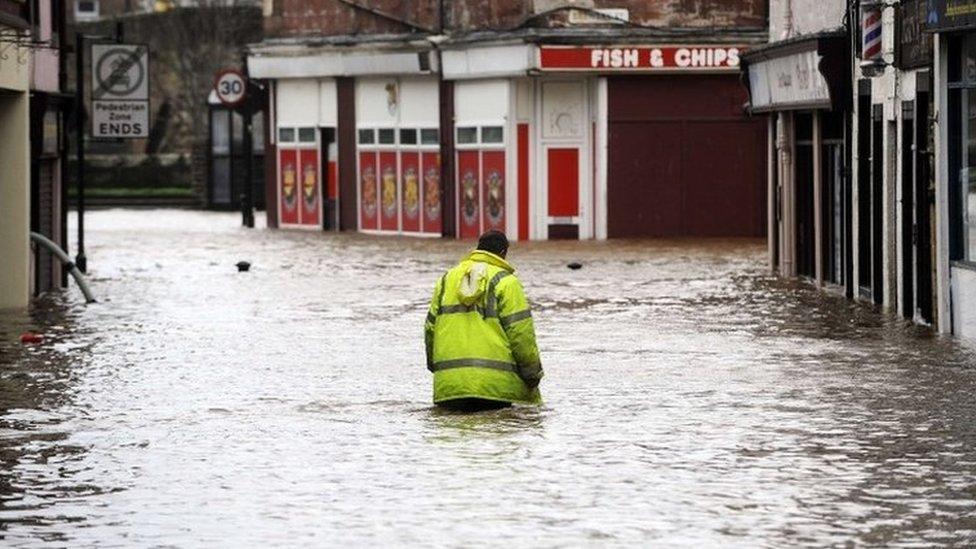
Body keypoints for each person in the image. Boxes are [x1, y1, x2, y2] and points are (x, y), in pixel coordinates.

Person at [424, 230, 543, 411]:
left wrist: (439, 369)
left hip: (450, 386)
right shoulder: (506, 282)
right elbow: (521, 334)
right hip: (495, 388)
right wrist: (532, 375)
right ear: (503, 253)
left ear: (477, 249)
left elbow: (430, 328)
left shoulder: (446, 280)